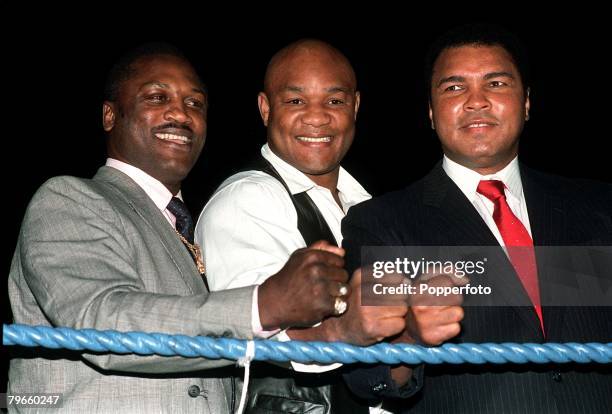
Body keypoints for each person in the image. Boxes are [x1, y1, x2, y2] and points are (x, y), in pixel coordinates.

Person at [7, 43, 353, 413]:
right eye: (157, 97)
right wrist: (263, 305)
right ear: (110, 115)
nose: (180, 112)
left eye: (195, 104)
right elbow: (101, 323)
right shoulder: (69, 198)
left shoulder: (182, 226)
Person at [341, 24, 612, 413]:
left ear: (527, 102)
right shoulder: (381, 223)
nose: (476, 101)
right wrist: (412, 339)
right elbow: (369, 378)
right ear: (431, 113)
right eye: (454, 87)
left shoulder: (599, 206)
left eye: (496, 83)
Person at [196, 39, 408, 413]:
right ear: (265, 109)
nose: (317, 117)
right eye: (296, 101)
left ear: (355, 106)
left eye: (334, 101)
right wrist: (344, 330)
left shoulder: (367, 204)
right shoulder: (247, 199)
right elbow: (253, 335)